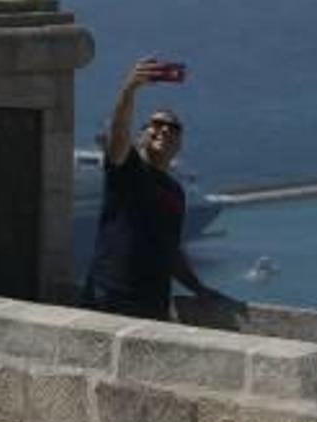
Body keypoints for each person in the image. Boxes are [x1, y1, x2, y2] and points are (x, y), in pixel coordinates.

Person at [80, 57, 225, 320]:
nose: (164, 130)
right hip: (111, 295)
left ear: (179, 144)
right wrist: (129, 89)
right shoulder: (126, 166)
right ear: (140, 135)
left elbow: (171, 250)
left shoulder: (175, 192)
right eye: (156, 124)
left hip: (153, 302)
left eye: (173, 128)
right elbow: (117, 134)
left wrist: (199, 289)